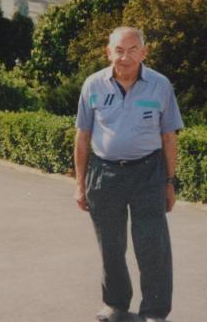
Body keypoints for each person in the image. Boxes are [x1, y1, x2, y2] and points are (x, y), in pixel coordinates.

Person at [74, 26, 184, 322]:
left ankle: (154, 312)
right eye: (119, 50)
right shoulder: (93, 85)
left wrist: (169, 182)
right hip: (104, 174)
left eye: (133, 50)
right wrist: (80, 184)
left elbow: (169, 137)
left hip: (148, 174)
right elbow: (82, 137)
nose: (125, 57)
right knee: (110, 245)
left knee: (153, 246)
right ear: (108, 53)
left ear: (144, 53)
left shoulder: (160, 85)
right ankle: (115, 304)